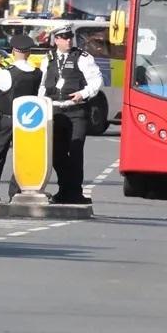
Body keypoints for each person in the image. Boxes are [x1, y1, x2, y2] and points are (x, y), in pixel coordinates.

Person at [39, 25, 103, 204]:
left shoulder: (82, 57)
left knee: (75, 151)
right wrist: (39, 103)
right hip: (55, 110)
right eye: (64, 37)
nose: (68, 40)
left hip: (76, 111)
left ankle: (75, 193)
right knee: (56, 153)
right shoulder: (48, 59)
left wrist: (83, 93)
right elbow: (42, 85)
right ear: (56, 40)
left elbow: (97, 80)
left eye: (70, 37)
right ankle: (64, 188)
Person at [0, 34, 42, 204]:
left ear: (13, 51)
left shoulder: (5, 73)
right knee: (23, 157)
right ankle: (16, 191)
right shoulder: (38, 74)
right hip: (28, 120)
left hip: (5, 120)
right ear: (29, 52)